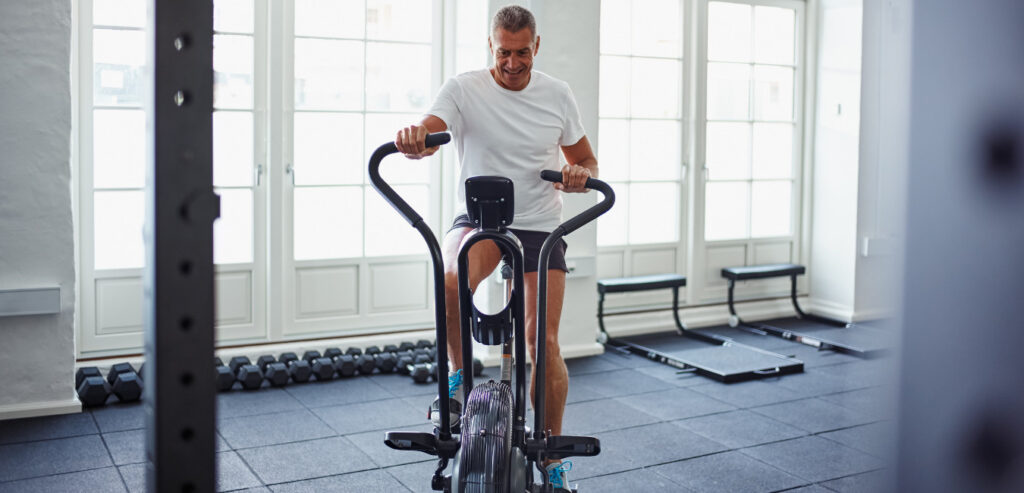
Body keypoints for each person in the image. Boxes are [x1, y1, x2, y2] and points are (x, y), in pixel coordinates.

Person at [394, 4, 598, 489]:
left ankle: (551, 455)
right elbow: (429, 132)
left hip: (539, 227)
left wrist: (578, 174)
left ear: (536, 46)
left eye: (522, 52)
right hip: (480, 219)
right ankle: (461, 378)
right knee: (449, 278)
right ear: (492, 45)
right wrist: (415, 138)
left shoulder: (558, 95)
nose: (512, 63)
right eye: (504, 52)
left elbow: (585, 158)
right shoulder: (464, 88)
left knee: (541, 342)